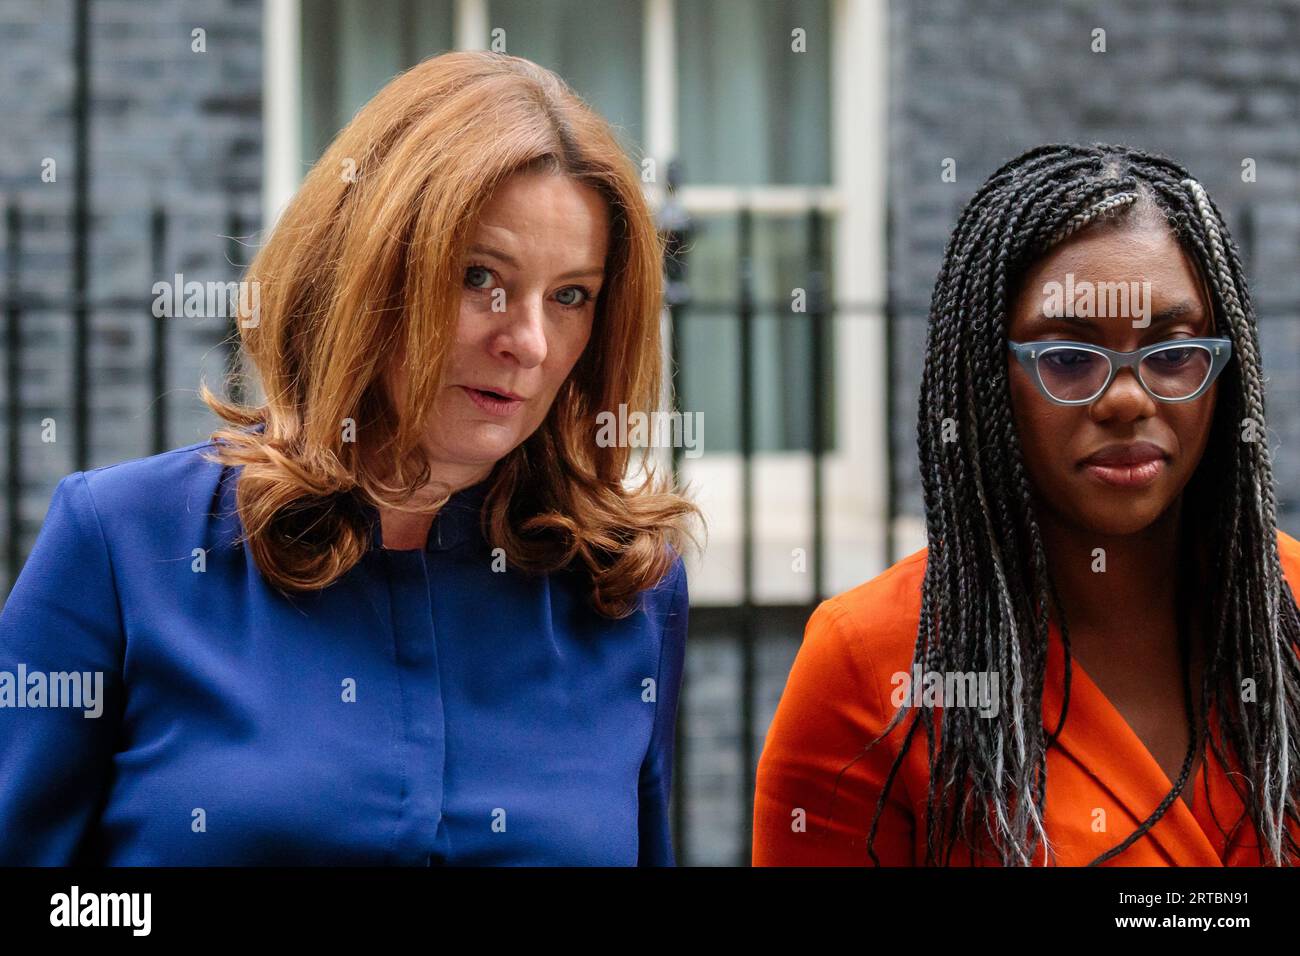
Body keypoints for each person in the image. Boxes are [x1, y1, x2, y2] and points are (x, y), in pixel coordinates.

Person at [0, 51, 699, 866]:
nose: (529, 342)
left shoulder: (628, 589)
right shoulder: (122, 544)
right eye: (481, 277)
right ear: (367, 271)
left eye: (571, 295)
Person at [753, 143, 1300, 866]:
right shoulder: (868, 666)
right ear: (987, 381)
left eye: (1172, 353)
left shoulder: (1287, 608)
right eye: (1069, 359)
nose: (1129, 398)